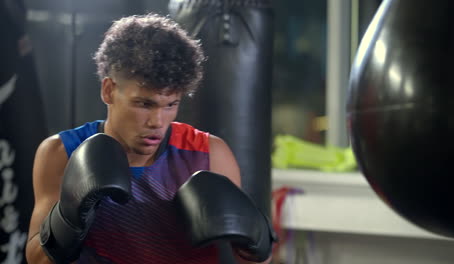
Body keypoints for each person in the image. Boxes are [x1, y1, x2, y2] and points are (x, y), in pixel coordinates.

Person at [25, 13, 275, 264]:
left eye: (170, 105)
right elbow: (37, 260)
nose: (157, 121)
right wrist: (69, 217)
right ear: (109, 90)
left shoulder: (208, 153)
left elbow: (252, 262)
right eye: (144, 104)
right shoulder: (62, 152)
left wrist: (255, 241)